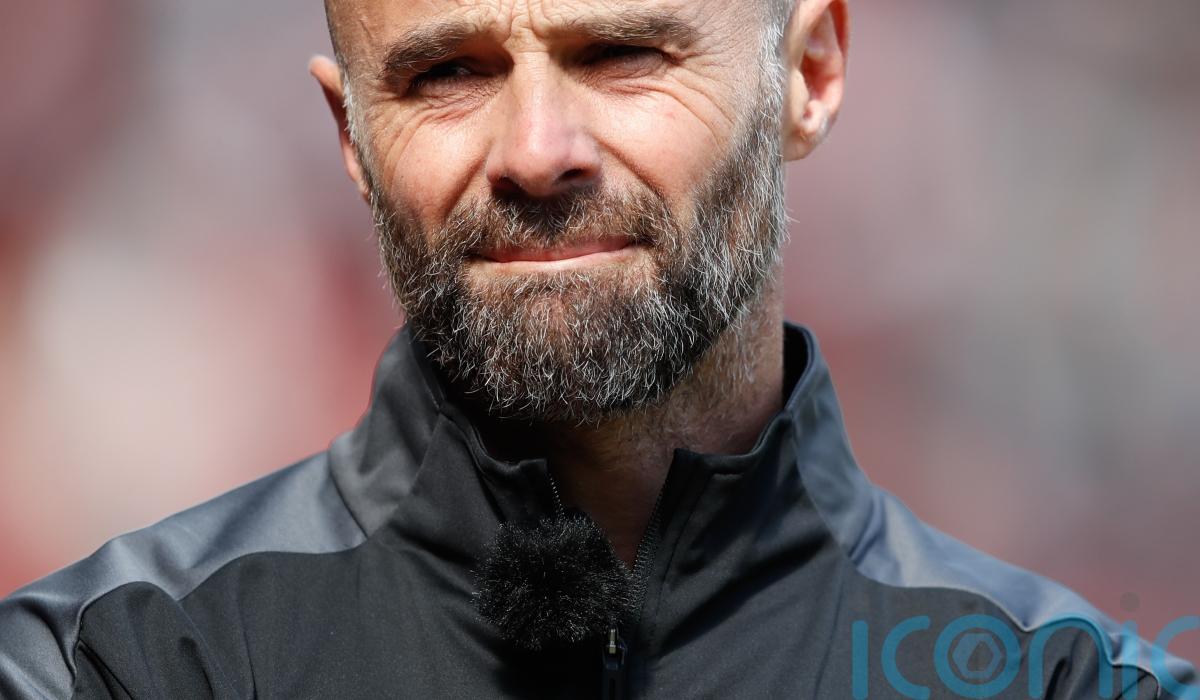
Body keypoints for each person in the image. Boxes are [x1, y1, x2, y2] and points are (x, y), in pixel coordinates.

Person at [0, 0, 1194, 697]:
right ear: (350, 134)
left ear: (810, 74)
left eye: (622, 56)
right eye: (447, 73)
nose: (536, 149)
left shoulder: (1072, 683)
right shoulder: (116, 669)